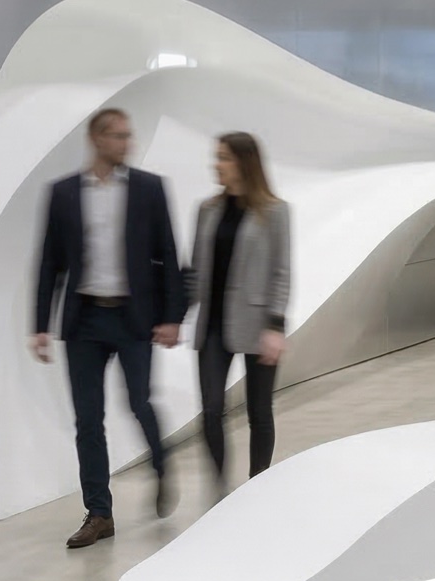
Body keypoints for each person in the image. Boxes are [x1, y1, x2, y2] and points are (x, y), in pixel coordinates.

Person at [30, 108, 184, 548]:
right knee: (87, 421)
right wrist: (40, 325)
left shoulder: (149, 189)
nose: (126, 143)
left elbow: (169, 255)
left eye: (128, 135)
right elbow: (49, 265)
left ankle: (161, 460)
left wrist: (172, 317)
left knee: (139, 401)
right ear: (96, 139)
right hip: (84, 320)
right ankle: (99, 512)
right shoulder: (62, 194)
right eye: (117, 136)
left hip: (133, 317)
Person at [190, 132, 292, 497]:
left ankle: (257, 489)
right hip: (213, 327)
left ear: (244, 163)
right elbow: (196, 272)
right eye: (217, 157)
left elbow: (281, 272)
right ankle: (220, 492)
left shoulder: (275, 211)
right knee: (211, 409)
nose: (216, 165)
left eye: (224, 158)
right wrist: (172, 315)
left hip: (258, 324)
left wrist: (275, 326)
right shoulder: (207, 211)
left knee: (259, 412)